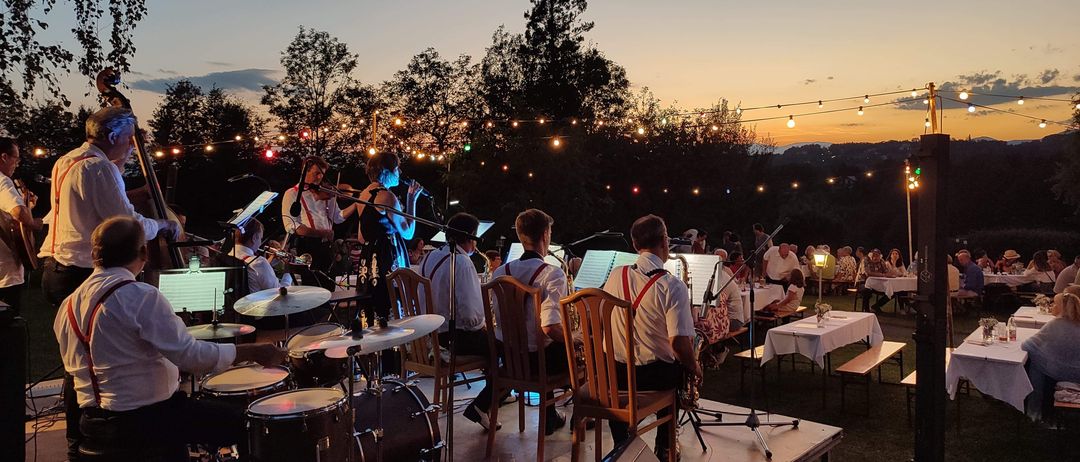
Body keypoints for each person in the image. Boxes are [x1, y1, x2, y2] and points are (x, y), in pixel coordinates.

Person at [54, 216, 285, 460]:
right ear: (143, 253)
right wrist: (254, 352)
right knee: (247, 424)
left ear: (94, 256)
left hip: (93, 424)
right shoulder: (140, 296)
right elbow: (192, 356)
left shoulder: (67, 307)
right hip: (149, 421)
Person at [39, 107, 181, 309]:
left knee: (73, 338)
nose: (131, 143)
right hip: (82, 272)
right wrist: (163, 224)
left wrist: (128, 154)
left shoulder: (67, 160)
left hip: (56, 269)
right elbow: (129, 226)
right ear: (113, 136)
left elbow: (90, 201)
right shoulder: (99, 168)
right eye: (129, 138)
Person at [602, 214, 700, 461]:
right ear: (665, 242)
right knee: (678, 365)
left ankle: (621, 443)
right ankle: (666, 444)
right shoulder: (672, 285)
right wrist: (695, 366)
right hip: (652, 377)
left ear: (635, 245)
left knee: (669, 363)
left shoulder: (615, 275)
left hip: (613, 374)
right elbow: (679, 343)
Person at [471, 209, 569, 434]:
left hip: (509, 355)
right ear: (546, 235)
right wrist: (574, 340)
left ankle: (550, 416)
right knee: (581, 355)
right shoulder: (552, 274)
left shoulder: (500, 272)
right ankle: (583, 418)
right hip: (537, 363)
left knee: (544, 345)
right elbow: (550, 327)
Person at [354, 151, 420, 324]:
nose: (399, 173)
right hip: (388, 257)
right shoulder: (387, 196)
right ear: (386, 171)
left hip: (368, 259)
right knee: (391, 305)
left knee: (372, 305)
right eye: (396, 169)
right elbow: (408, 233)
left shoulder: (363, 195)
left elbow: (361, 237)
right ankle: (393, 348)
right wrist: (411, 200)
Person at [280, 156, 357, 277]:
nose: (320, 178)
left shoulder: (326, 193)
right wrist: (322, 233)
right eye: (316, 173)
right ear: (305, 171)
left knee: (328, 284)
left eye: (322, 174)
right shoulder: (292, 194)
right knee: (310, 283)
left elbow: (338, 217)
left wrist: (356, 204)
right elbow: (291, 226)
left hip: (327, 247)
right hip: (306, 246)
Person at [1022, 286, 1080, 422]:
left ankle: (1034, 408)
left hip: (1064, 371)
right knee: (1041, 359)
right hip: (1076, 369)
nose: (1052, 306)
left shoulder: (1056, 324)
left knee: (1036, 362)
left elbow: (1027, 345)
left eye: (1054, 303)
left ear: (1061, 308)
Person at [0, 137, 42, 312]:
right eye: (15, 158)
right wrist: (33, 223)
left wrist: (28, 206)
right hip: (5, 271)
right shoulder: (2, 181)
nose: (16, 164)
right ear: (3, 157)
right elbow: (18, 212)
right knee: (7, 329)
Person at [230, 218, 292, 294]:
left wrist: (269, 264)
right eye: (260, 238)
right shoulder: (259, 262)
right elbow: (280, 293)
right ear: (254, 237)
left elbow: (255, 274)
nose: (260, 243)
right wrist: (288, 271)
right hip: (256, 304)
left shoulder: (230, 255)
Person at [713, 249, 745, 331]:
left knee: (705, 324)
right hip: (727, 316)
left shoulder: (723, 276)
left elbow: (720, 303)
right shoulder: (718, 274)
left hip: (734, 320)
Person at [861, 249, 894, 313]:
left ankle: (875, 306)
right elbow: (869, 273)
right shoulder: (866, 260)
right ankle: (866, 310)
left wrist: (890, 273)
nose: (875, 257)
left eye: (877, 255)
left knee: (892, 292)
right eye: (874, 255)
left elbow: (886, 271)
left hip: (880, 283)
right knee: (866, 291)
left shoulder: (881, 261)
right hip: (866, 283)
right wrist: (882, 275)